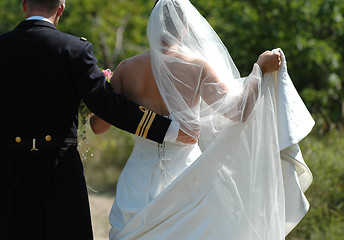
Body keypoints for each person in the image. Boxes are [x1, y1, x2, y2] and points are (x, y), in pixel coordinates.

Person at [91, 0, 314, 239]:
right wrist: (259, 69)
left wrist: (99, 95)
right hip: (186, 176)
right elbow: (239, 111)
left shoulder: (127, 69)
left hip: (137, 181)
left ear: (152, 24)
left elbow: (98, 127)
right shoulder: (196, 68)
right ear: (186, 26)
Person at [0, 0, 196, 239]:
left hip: (8, 166)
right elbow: (108, 105)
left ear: (24, 5)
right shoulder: (74, 49)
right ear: (60, 9)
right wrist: (170, 130)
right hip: (59, 169)